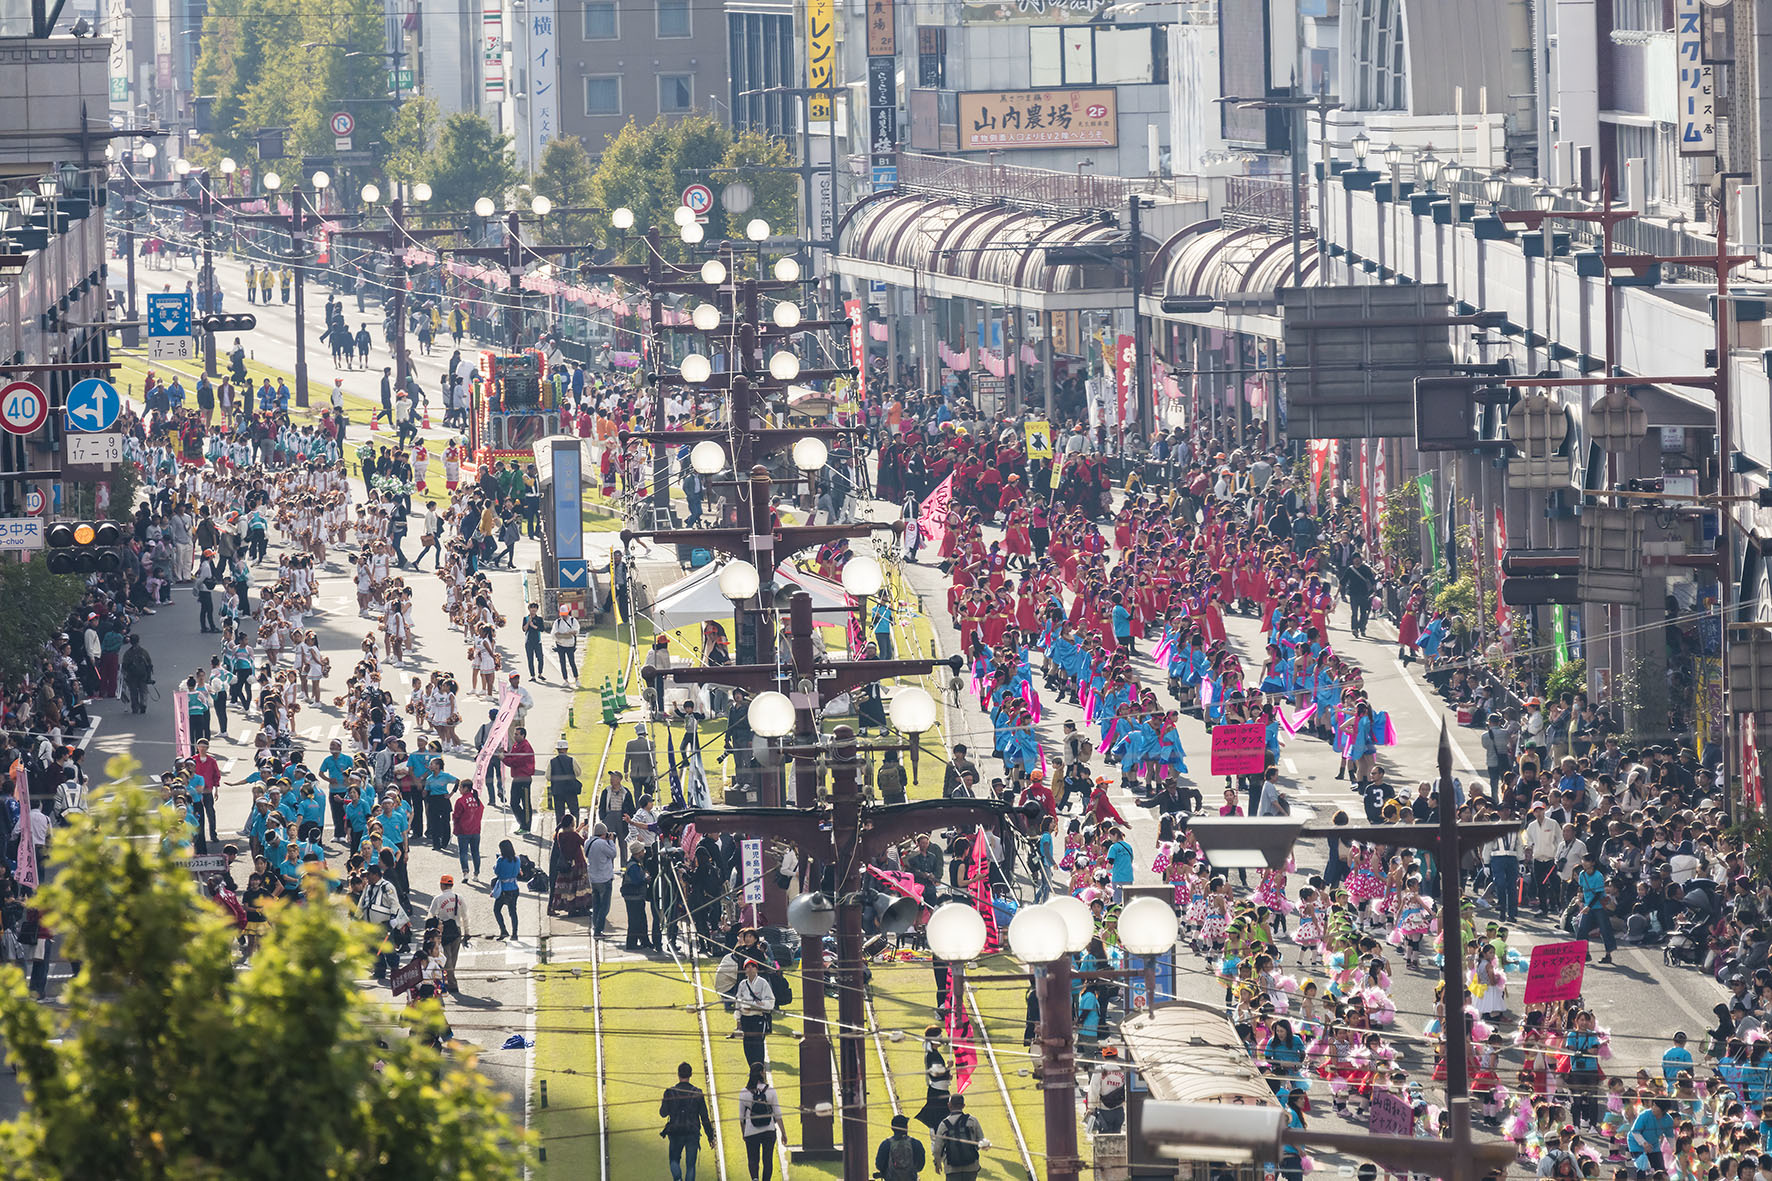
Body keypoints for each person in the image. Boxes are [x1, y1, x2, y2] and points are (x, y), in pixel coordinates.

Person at [659, 1062, 717, 1181]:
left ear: (678, 1074)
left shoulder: (670, 1092)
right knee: (691, 1166)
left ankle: (678, 1178)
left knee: (674, 1160)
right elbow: (704, 1118)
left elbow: (663, 1113)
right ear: (691, 1074)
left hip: (675, 1131)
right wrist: (710, 1137)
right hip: (692, 1132)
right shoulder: (697, 1093)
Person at [737, 1061, 782, 1181]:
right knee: (768, 1160)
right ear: (762, 1074)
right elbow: (777, 1114)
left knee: (753, 1159)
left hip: (751, 1131)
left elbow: (741, 1118)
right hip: (769, 1130)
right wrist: (784, 1133)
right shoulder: (770, 1091)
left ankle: (755, 1178)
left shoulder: (744, 1092)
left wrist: (743, 1133)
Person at [425, 874, 467, 995]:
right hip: (457, 930)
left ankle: (451, 983)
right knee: (453, 958)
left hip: (443, 931)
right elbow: (465, 916)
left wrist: (429, 931)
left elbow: (431, 915)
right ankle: (450, 979)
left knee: (447, 958)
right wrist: (467, 932)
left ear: (442, 885)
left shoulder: (438, 899)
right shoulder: (459, 898)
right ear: (452, 885)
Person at [733, 957, 776, 1067]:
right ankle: (751, 1069)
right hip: (745, 1018)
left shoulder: (762, 983)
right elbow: (738, 1002)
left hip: (758, 1018)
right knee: (747, 1046)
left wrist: (758, 1005)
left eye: (752, 966)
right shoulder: (742, 984)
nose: (750, 969)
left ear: (756, 969)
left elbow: (770, 1001)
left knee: (758, 1045)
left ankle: (759, 1070)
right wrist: (738, 1019)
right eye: (747, 967)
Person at [932, 1095, 984, 1178]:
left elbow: (937, 1149)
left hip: (951, 1168)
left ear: (949, 1105)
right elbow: (981, 1141)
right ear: (963, 1106)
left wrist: (937, 1163)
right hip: (971, 1167)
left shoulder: (944, 1125)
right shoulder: (972, 1121)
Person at [585, 821, 619, 937]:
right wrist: (611, 841)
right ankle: (598, 930)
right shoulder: (602, 843)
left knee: (596, 905)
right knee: (605, 906)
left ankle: (596, 926)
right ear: (603, 833)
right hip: (604, 878)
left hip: (593, 878)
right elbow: (613, 854)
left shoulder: (588, 842)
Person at [876, 1113, 928, 1181]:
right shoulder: (916, 1143)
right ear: (906, 1127)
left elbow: (879, 1165)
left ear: (892, 1128)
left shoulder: (886, 1144)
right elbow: (920, 1166)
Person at [491, 839, 522, 940]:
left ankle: (503, 930)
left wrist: (495, 864)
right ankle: (515, 933)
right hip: (514, 887)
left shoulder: (501, 860)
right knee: (513, 912)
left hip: (504, 890)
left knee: (497, 910)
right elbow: (517, 871)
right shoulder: (517, 859)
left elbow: (497, 872)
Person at [548, 738, 581, 824]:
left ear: (557, 750)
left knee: (559, 813)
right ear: (566, 749)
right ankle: (575, 829)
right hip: (570, 790)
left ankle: (560, 831)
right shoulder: (571, 760)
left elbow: (548, 776)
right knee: (574, 811)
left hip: (557, 791)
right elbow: (578, 773)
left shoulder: (552, 761)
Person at [120, 635, 153, 715]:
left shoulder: (128, 653)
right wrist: (149, 676)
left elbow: (124, 665)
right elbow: (149, 664)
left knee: (133, 692)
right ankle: (143, 704)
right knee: (143, 690)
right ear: (138, 641)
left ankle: (135, 707)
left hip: (132, 676)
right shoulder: (144, 652)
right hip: (143, 675)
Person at [552, 608, 580, 681]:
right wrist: (558, 634)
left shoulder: (572, 620)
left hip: (570, 644)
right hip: (560, 644)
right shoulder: (557, 622)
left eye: (565, 614)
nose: (563, 616)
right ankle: (565, 679)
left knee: (572, 662)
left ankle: (576, 678)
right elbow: (553, 632)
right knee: (562, 663)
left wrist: (570, 633)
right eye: (562, 615)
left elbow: (576, 630)